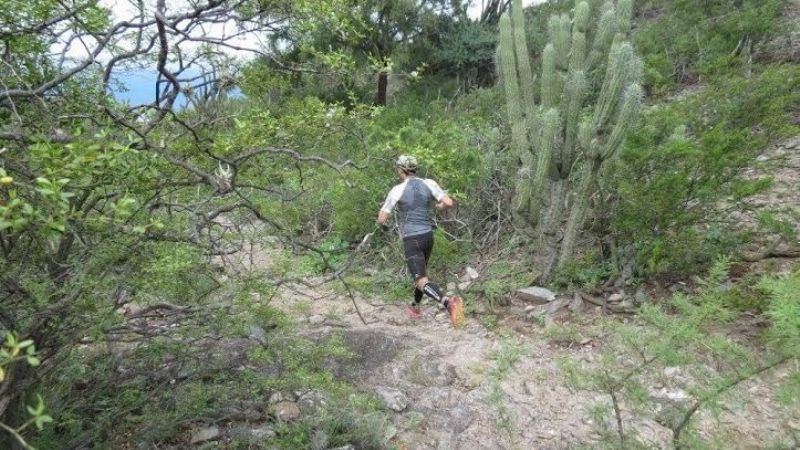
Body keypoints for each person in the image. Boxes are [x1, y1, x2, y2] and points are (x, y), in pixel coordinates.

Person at [377, 155, 464, 326]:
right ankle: (415, 307)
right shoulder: (429, 183)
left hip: (412, 238)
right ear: (415, 169)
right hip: (427, 236)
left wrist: (384, 225)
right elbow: (448, 201)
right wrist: (439, 207)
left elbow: (382, 218)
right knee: (422, 275)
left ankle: (448, 302)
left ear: (401, 170)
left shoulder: (397, 190)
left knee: (421, 280)